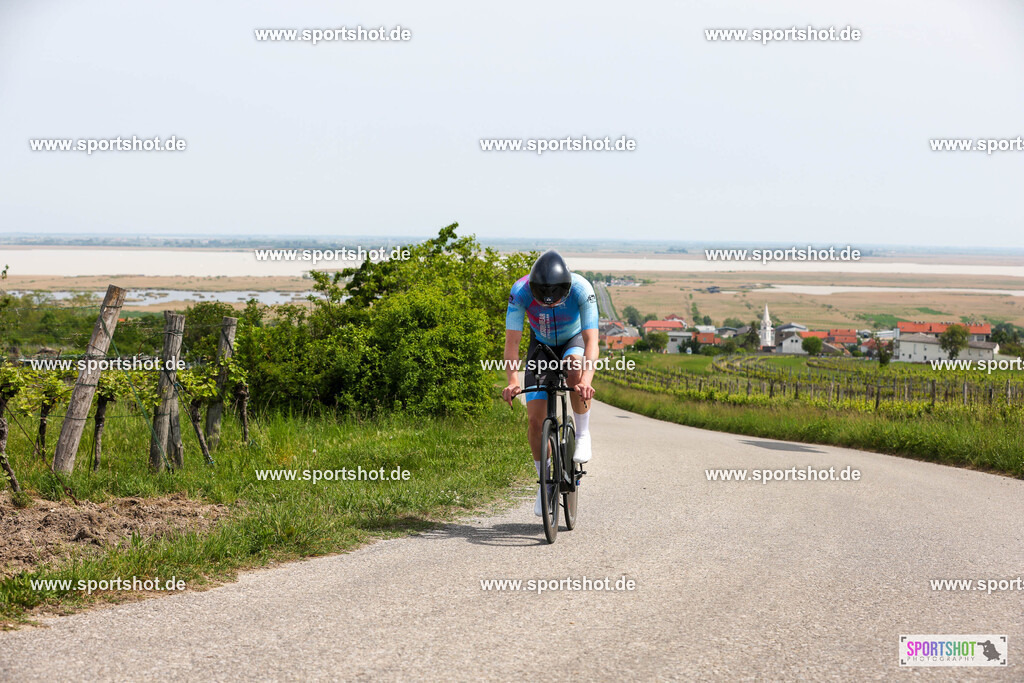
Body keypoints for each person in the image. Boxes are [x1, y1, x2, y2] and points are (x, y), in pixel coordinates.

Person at [501, 250, 599, 516]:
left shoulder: (581, 288)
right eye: (543, 302)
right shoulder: (520, 291)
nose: (549, 306)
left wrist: (586, 382)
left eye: (555, 301)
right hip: (541, 345)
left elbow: (592, 341)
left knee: (575, 369)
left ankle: (581, 434)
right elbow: (513, 343)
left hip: (573, 341)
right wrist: (512, 380)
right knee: (535, 420)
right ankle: (544, 484)